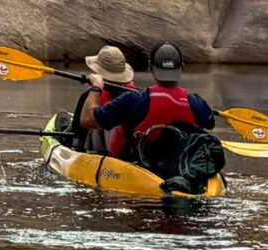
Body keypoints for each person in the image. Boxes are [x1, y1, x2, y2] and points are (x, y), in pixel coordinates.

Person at [81, 42, 219, 171]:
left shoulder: (134, 100)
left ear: (150, 67)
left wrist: (96, 88)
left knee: (99, 128)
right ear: (181, 67)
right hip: (179, 167)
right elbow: (210, 122)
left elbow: (87, 120)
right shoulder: (197, 104)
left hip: (137, 167)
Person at [71, 45, 136, 154]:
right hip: (128, 149)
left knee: (78, 134)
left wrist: (94, 89)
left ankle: (69, 140)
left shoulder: (87, 95)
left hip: (103, 151)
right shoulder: (134, 96)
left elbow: (78, 130)